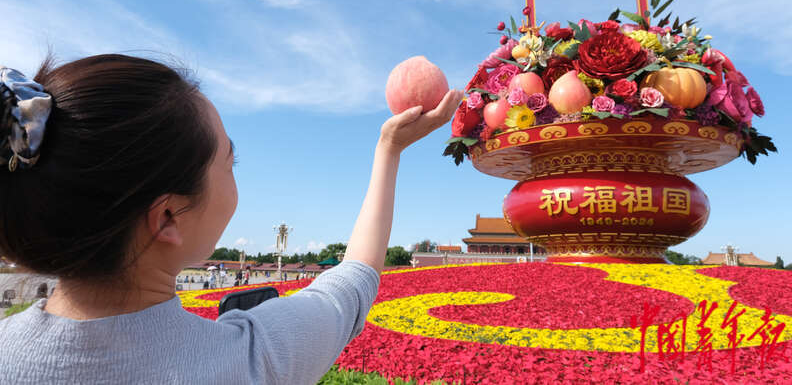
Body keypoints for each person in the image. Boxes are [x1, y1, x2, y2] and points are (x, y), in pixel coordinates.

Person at [0, 55, 460, 384]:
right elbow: (355, 279)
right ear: (168, 217)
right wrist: (389, 150)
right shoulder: (252, 360)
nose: (236, 173)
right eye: (229, 161)